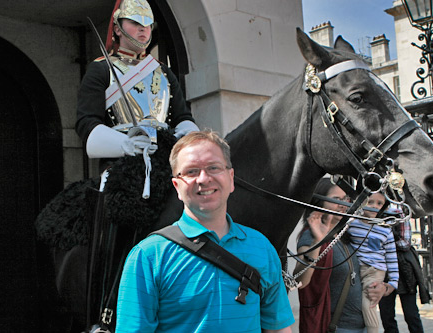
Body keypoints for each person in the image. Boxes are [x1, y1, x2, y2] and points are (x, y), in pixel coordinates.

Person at [115, 130, 295, 332]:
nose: (203, 178)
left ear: (231, 178)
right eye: (191, 171)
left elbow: (279, 329)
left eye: (213, 168)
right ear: (177, 186)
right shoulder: (147, 256)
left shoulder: (262, 248)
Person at [75, 0, 199, 172]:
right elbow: (86, 122)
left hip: (165, 160)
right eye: (135, 22)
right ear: (117, 28)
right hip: (120, 163)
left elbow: (182, 117)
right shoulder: (101, 69)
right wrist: (125, 144)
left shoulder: (163, 71)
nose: (143, 28)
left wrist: (181, 139)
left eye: (147, 24)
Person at [294, 178, 390, 333]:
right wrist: (317, 242)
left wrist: (382, 288)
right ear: (319, 202)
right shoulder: (311, 237)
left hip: (361, 325)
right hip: (336, 327)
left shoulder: (345, 234)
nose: (343, 204)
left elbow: (361, 273)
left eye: (345, 199)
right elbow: (300, 281)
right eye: (336, 199)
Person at [347, 192, 398, 333]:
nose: (374, 206)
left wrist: (393, 283)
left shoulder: (385, 229)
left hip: (375, 272)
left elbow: (392, 257)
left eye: (379, 203)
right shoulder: (352, 223)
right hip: (355, 269)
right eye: (370, 202)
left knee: (368, 305)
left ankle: (373, 330)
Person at [378, 215, 430, 333]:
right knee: (386, 315)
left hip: (404, 269)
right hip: (383, 268)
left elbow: (405, 244)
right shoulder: (375, 214)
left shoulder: (400, 215)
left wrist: (385, 240)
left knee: (411, 313)